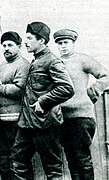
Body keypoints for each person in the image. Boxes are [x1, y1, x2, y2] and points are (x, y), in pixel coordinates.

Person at [10, 22, 75, 180]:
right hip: (27, 124)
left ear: (42, 41)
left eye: (29, 38)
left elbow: (67, 88)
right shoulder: (36, 60)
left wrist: (43, 102)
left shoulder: (51, 61)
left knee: (52, 167)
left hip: (46, 124)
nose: (25, 42)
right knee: (17, 161)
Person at [53, 29, 109, 180]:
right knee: (71, 159)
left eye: (66, 43)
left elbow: (105, 76)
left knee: (82, 158)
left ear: (73, 43)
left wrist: (92, 93)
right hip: (62, 118)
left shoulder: (83, 59)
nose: (63, 46)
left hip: (81, 117)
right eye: (59, 43)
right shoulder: (56, 62)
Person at [0, 31, 30, 180]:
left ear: (19, 47)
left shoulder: (23, 64)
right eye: (4, 45)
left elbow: (19, 89)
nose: (6, 48)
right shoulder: (3, 65)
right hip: (2, 120)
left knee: (18, 160)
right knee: (2, 157)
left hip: (17, 120)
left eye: (10, 45)